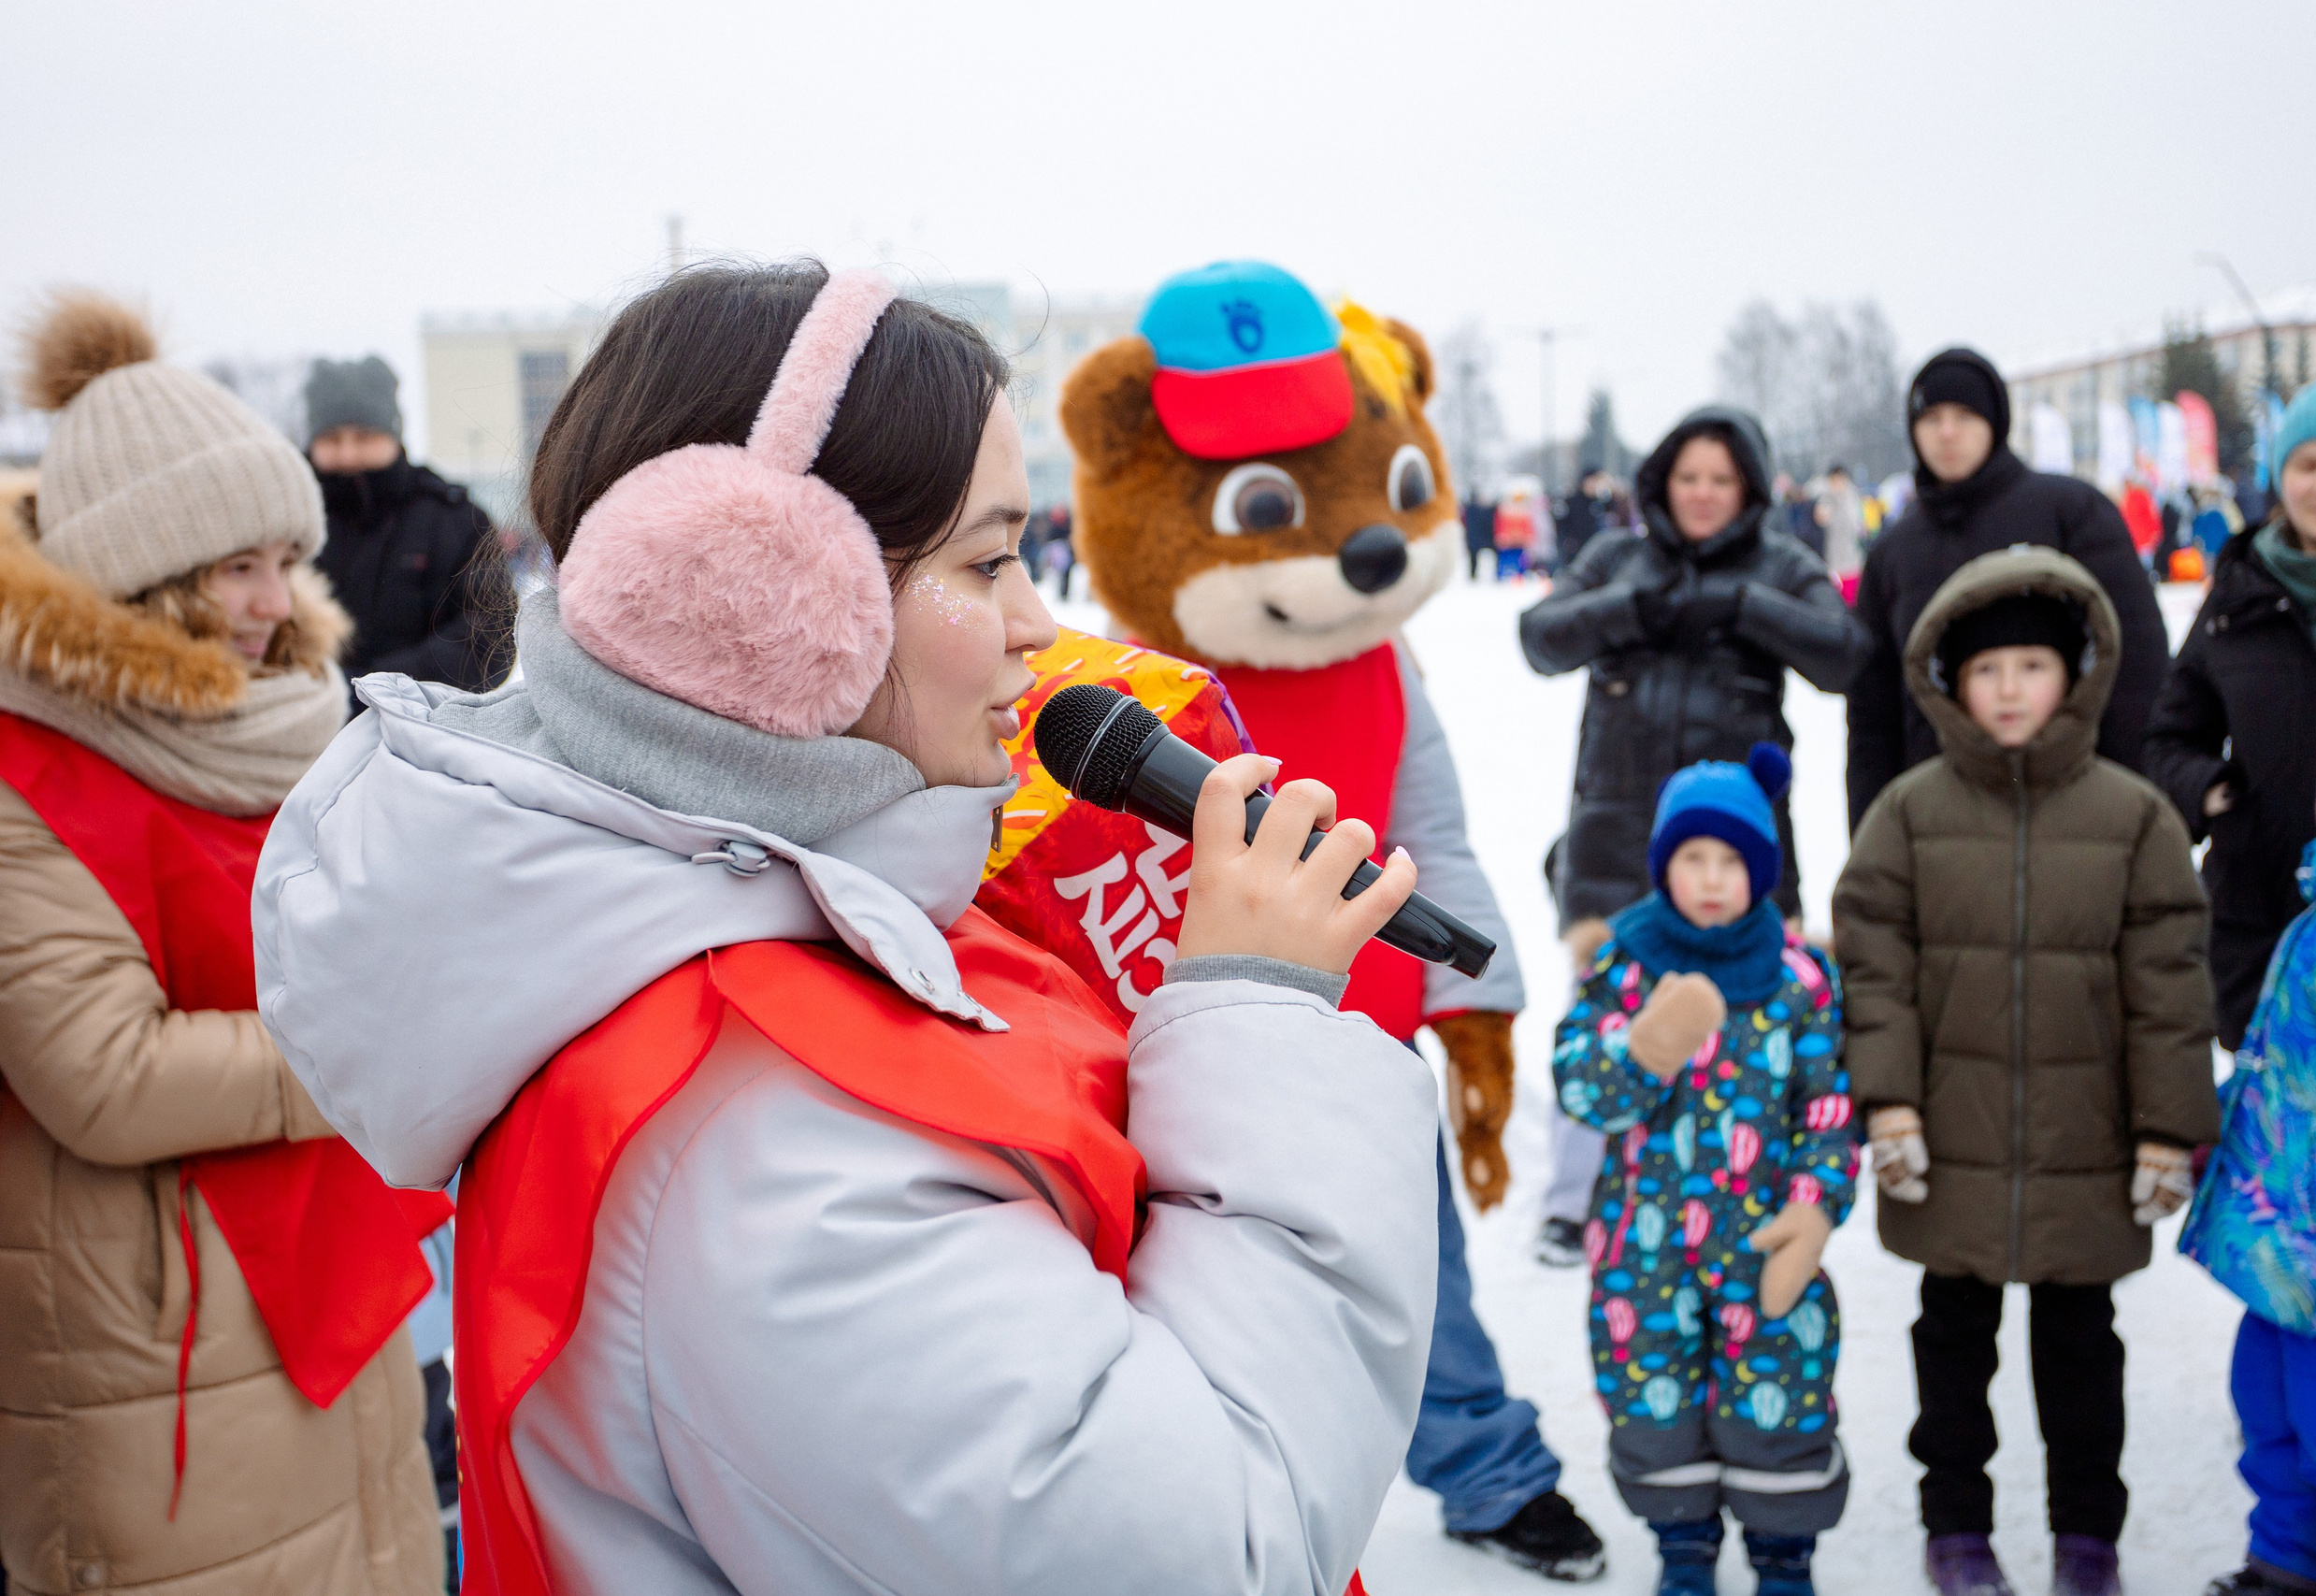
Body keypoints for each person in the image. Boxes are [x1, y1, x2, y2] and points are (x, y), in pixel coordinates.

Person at [252, 261, 1445, 1596]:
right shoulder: (769, 1145)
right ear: (759, 607)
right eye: (986, 562)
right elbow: (1219, 1549)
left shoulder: (810, 944)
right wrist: (1258, 1016)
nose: (1038, 625)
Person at [0, 295, 444, 1594]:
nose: (274, 600)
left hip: (321, 1279)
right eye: (235, 567)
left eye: (283, 559)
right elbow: (105, 1071)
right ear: (144, 577)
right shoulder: (28, 773)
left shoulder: (273, 730)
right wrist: (374, 1041)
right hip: (150, 1330)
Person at [1833, 546, 2218, 1596]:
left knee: (2081, 1353)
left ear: (2075, 675)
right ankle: (1955, 1525)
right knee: (1952, 1347)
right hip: (1947, 1139)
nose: (2009, 688)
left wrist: (2165, 1127)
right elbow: (1874, 967)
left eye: (2032, 667)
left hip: (2085, 1140)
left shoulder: (2132, 816)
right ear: (1950, 681)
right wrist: (1889, 1102)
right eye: (1987, 669)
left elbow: (2168, 986)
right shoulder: (1909, 812)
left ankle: (2087, 1538)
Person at [1554, 746, 1856, 1596]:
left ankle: (1784, 1554)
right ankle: (1683, 1548)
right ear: (1664, 863)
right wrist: (1640, 1049)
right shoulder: (1624, 965)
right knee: (1652, 1393)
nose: (1714, 878)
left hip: (1764, 1237)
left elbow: (1828, 1106)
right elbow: (1580, 1086)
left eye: (1733, 858)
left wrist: (1813, 1209)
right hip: (1642, 1248)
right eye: (1694, 856)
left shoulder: (1799, 977)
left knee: (1779, 1389)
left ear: (1762, 868)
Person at [1519, 406, 1870, 965]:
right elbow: (1540, 639)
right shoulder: (1616, 558)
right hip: (1614, 856)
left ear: (1749, 487)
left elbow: (1846, 657)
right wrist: (1628, 610)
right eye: (1688, 478)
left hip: (1735, 863)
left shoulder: (1781, 565)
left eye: (1721, 480)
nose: (1702, 493)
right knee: (1613, 1016)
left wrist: (1747, 608)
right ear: (1663, 482)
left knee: (1744, 1018)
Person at [2181, 675, 2316, 1596]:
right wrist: (2223, 1128)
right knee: (2269, 1411)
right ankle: (2289, 1561)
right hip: (2286, 1242)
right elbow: (2286, 1063)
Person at [2145, 372, 2316, 1048]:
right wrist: (2211, 792)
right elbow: (2167, 739)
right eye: (2307, 464)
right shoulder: (2238, 595)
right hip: (2258, 932)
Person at [1845, 348, 2170, 831]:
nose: (1947, 432)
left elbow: (2136, 666)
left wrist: (2129, 809)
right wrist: (1874, 837)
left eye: (1964, 415)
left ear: (1995, 422)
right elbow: (1874, 713)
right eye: (1931, 418)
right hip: (1940, 826)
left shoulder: (2071, 512)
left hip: (2073, 814)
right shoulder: (1894, 551)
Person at [304, 356, 510, 699]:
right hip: (301, 723)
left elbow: (490, 635)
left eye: (364, 436)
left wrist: (375, 689)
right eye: (332, 439)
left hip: (425, 724)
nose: (348, 454)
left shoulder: (454, 519)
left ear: (394, 433)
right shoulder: (281, 522)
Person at [1556, 469, 1608, 569]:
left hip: (1593, 548)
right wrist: (1568, 542)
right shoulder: (1571, 501)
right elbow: (1561, 525)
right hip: (1574, 550)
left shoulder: (1598, 502)